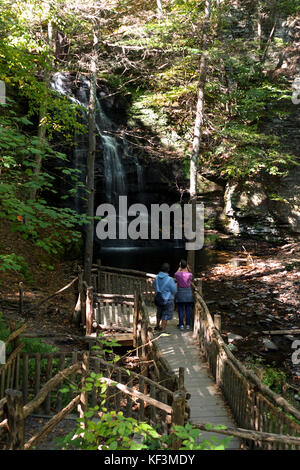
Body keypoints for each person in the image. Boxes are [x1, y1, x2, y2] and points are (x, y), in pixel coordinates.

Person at [154, 262, 177, 333]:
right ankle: (163, 330)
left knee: (159, 312)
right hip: (167, 299)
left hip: (158, 298)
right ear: (168, 270)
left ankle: (157, 326)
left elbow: (155, 286)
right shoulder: (170, 279)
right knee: (165, 314)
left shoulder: (156, 277)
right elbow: (174, 290)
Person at [174, 259, 194, 331]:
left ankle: (181, 325)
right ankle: (188, 325)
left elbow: (175, 274)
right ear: (186, 266)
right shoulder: (190, 274)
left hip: (180, 293)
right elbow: (190, 279)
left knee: (180, 309)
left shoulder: (177, 274)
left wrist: (179, 269)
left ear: (180, 266)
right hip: (188, 293)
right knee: (188, 309)